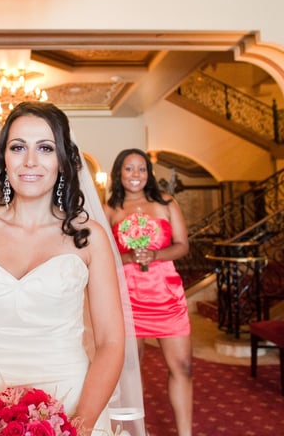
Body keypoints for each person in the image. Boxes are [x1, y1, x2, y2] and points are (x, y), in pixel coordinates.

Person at [0, 102, 126, 436]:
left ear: (62, 161)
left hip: (73, 400)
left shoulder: (90, 237)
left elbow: (111, 341)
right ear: (4, 158)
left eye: (45, 148)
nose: (30, 161)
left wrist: (78, 426)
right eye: (18, 147)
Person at [104, 148, 193, 436]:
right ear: (119, 173)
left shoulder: (166, 202)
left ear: (149, 174)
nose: (135, 175)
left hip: (166, 292)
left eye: (141, 169)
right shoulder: (110, 209)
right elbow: (102, 252)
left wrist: (155, 256)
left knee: (183, 366)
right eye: (129, 169)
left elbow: (182, 245)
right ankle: (129, 431)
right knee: (128, 369)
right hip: (126, 295)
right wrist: (128, 257)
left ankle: (185, 433)